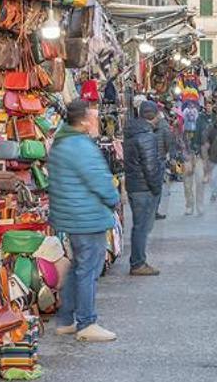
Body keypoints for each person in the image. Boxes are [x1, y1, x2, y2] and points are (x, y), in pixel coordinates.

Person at [46, 100, 121, 342]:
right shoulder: (80, 146)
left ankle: (66, 319)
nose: (95, 121)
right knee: (88, 269)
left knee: (78, 267)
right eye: (92, 116)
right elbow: (99, 179)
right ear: (84, 119)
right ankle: (87, 322)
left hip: (71, 216)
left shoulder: (60, 143)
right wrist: (113, 198)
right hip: (87, 216)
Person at [122, 99, 166, 275]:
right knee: (142, 227)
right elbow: (150, 166)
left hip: (134, 185)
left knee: (138, 226)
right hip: (144, 188)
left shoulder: (132, 132)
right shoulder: (147, 135)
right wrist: (156, 188)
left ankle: (137, 260)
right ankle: (138, 263)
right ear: (154, 116)